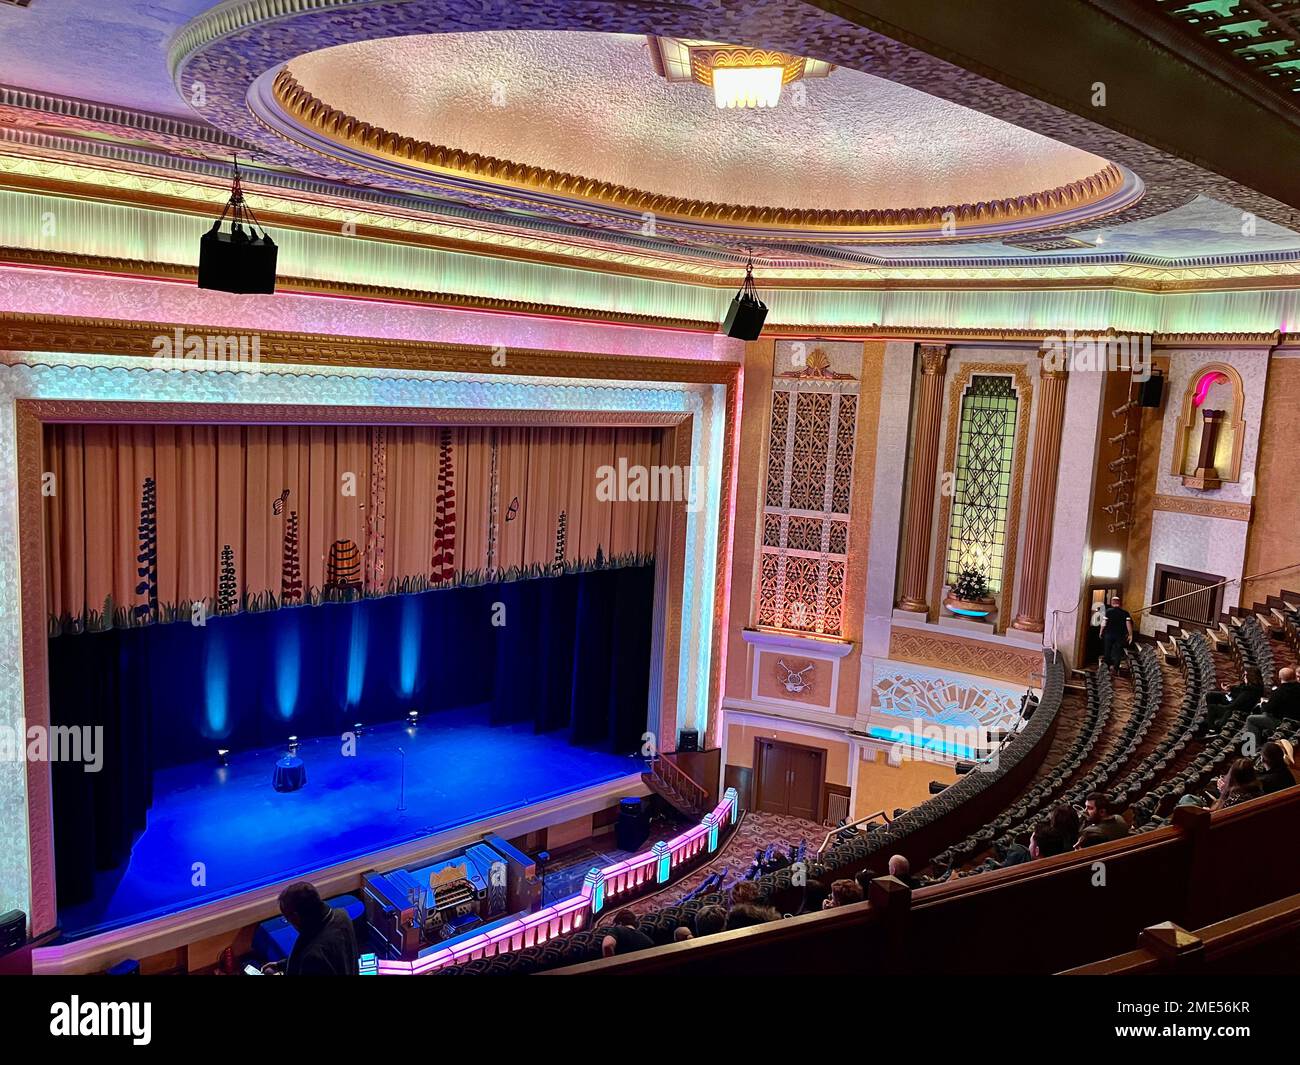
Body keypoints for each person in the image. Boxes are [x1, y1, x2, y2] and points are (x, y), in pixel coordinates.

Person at [273, 882, 359, 975]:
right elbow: (335, 958)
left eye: (287, 918)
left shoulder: (312, 957)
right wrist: (281, 965)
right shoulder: (342, 915)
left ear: (295, 917)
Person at [1246, 667, 1300, 744]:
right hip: (1296, 718)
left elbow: (1267, 709)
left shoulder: (1279, 692)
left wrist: (1263, 703)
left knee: (1251, 719)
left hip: (1284, 722)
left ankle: (1255, 748)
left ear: (1280, 677)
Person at [1204, 667, 1264, 734]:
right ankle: (1211, 719)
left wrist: (1218, 706)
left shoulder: (1249, 692)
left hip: (1233, 709)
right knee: (1211, 695)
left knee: (1212, 707)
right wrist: (1230, 689)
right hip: (1233, 700)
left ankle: (1212, 729)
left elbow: (1233, 706)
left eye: (1245, 675)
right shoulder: (1249, 686)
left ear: (1251, 677)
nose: (1244, 677)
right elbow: (1239, 689)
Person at [1099, 594, 1133, 672]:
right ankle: (1115, 668)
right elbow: (1128, 624)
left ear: (1112, 602)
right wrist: (1130, 635)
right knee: (1118, 651)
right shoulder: (1125, 613)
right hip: (1120, 636)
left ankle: (1107, 667)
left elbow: (1104, 623)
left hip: (1109, 634)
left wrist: (1101, 632)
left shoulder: (1108, 611)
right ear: (1119, 603)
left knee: (1107, 650)